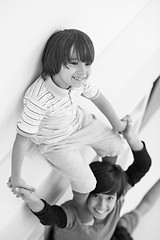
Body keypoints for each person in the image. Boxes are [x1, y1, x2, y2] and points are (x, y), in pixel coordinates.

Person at [10, 29, 129, 224]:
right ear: (55, 62)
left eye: (87, 63)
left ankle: (103, 184)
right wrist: (16, 178)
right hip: (56, 142)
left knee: (116, 145)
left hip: (79, 122)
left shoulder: (79, 80)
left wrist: (118, 124)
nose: (83, 71)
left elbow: (99, 98)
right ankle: (82, 208)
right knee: (86, 182)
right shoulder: (39, 98)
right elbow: (21, 140)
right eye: (74, 63)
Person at [8, 121, 152, 240]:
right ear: (85, 195)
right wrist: (131, 137)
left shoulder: (116, 193)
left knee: (110, 169)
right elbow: (52, 216)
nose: (102, 205)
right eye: (96, 196)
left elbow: (142, 167)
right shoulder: (75, 213)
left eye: (109, 198)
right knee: (110, 157)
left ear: (116, 196)